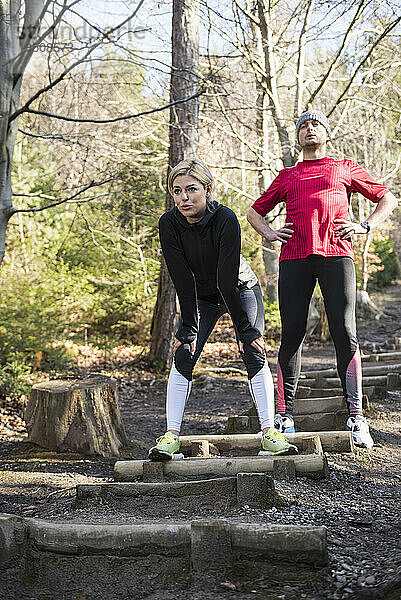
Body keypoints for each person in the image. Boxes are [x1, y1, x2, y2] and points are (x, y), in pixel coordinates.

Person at [247, 110, 398, 448]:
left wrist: (365, 225)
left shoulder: (344, 167)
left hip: (337, 256)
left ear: (326, 133)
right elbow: (254, 211)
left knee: (345, 331)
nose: (309, 129)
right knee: (293, 333)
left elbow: (387, 198)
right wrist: (270, 232)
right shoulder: (288, 175)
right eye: (303, 126)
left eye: (315, 125)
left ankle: (356, 416)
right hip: (294, 258)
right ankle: (284, 416)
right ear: (297, 137)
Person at [149, 158, 298, 460]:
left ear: (207, 189)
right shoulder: (169, 224)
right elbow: (180, 276)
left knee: (253, 348)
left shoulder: (225, 219)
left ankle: (269, 433)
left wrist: (245, 329)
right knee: (184, 352)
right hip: (202, 297)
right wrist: (188, 327)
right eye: (177, 191)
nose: (184, 198)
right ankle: (171, 437)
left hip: (239, 289)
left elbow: (226, 279)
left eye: (191, 190)